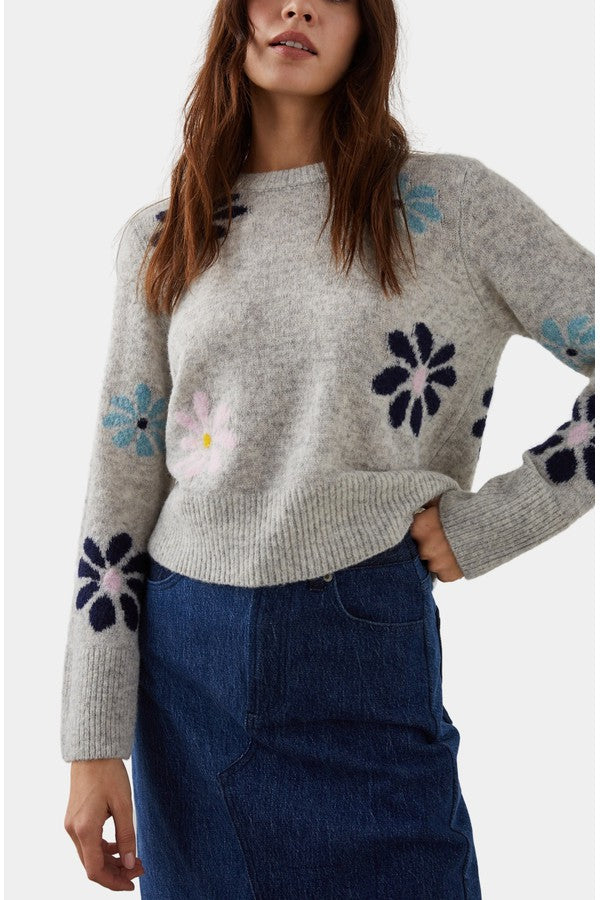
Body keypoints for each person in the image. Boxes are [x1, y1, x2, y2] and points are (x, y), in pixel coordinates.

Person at [60, 0, 595, 894]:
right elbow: (119, 488)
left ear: (367, 28)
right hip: (185, 668)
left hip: (359, 641)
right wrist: (92, 739)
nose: (298, 6)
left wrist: (500, 518)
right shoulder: (162, 235)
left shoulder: (448, 208)